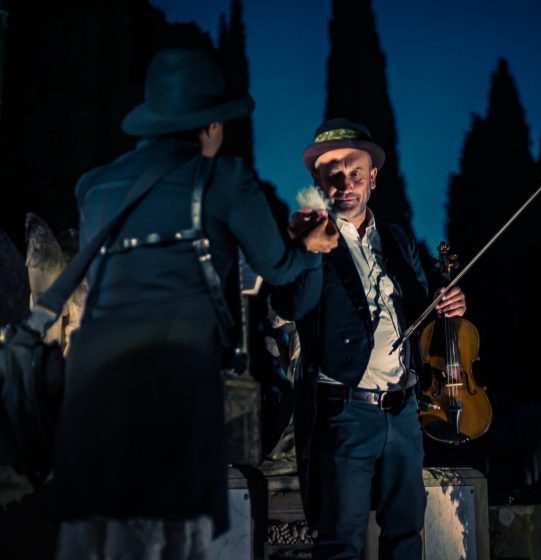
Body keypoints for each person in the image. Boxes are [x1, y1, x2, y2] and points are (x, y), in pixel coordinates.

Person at [52, 48, 337, 559]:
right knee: (173, 540)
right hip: (174, 380)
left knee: (96, 539)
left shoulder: (94, 186)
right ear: (209, 125)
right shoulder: (226, 180)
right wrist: (311, 248)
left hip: (94, 385)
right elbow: (279, 269)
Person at [271, 118, 467, 559]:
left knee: (405, 534)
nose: (346, 183)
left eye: (355, 172)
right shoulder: (306, 239)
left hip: (402, 411)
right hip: (343, 412)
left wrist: (447, 303)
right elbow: (290, 307)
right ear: (317, 181)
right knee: (340, 539)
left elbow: (421, 307)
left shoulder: (397, 239)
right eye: (333, 174)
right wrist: (307, 249)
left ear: (373, 178)